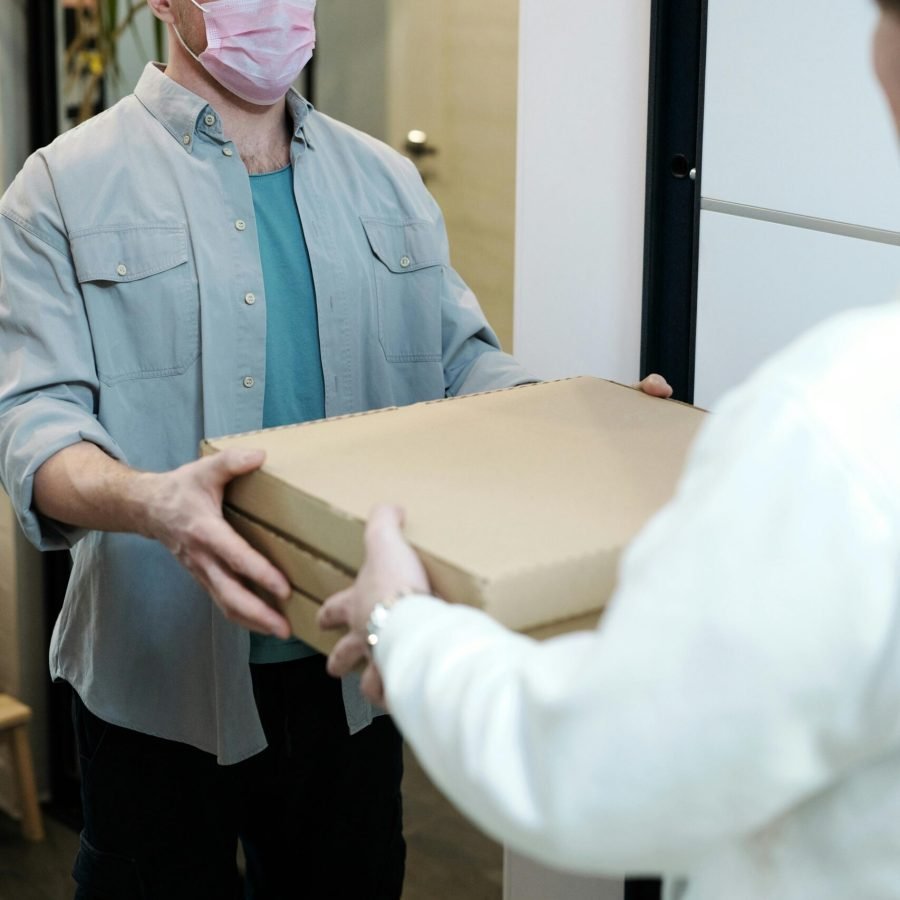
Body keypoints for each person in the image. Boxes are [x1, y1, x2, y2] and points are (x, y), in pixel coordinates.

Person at [0, 0, 670, 897]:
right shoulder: (60, 189)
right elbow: (34, 422)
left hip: (350, 667)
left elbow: (460, 365)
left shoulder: (386, 181)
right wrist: (149, 502)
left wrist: (584, 416)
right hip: (154, 681)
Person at [319, 4, 900, 898]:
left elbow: (596, 764)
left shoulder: (838, 421)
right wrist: (581, 417)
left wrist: (404, 626)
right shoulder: (55, 187)